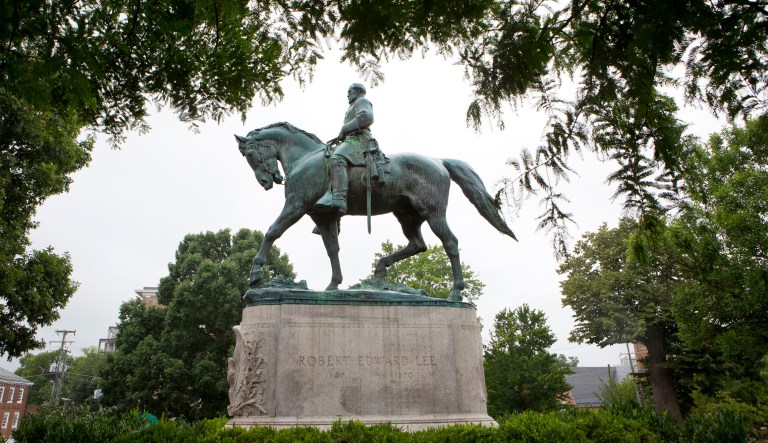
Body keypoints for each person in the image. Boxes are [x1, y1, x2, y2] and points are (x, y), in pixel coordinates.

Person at [314, 83, 374, 214]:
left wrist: (345, 129)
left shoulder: (362, 101)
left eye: (350, 91)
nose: (347, 94)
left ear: (358, 92)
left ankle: (339, 198)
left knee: (336, 159)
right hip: (351, 139)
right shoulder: (352, 106)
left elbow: (366, 117)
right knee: (327, 157)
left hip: (360, 140)